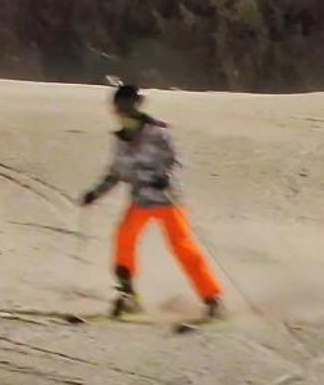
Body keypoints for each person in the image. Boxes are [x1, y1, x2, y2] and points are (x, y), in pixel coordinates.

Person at [80, 84, 223, 322]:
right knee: (124, 240)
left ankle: (212, 299)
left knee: (183, 247)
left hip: (167, 200)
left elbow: (176, 161)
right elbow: (116, 172)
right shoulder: (121, 141)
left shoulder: (158, 133)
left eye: (122, 108)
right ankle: (128, 295)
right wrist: (96, 193)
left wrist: (165, 178)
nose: (120, 113)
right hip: (141, 201)